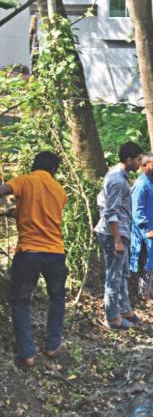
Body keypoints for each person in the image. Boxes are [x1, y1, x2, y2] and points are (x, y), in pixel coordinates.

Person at [0, 152, 67, 367]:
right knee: (57, 298)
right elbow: (41, 213)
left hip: (29, 252)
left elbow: (5, 191)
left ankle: (27, 353)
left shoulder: (25, 181)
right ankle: (53, 345)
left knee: (20, 301)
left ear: (34, 165)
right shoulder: (59, 191)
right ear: (54, 170)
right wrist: (14, 212)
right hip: (55, 252)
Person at [95, 142, 144, 330]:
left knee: (123, 274)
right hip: (113, 234)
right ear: (129, 160)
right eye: (138, 160)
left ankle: (125, 310)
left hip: (122, 231)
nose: (140, 163)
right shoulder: (116, 179)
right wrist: (116, 240)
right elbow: (110, 212)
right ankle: (112, 318)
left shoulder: (119, 176)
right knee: (113, 277)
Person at [130, 153, 153, 306]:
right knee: (146, 263)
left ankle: (148, 292)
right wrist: (145, 229)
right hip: (145, 232)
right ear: (143, 166)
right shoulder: (141, 184)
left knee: (151, 264)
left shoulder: (152, 183)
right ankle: (144, 297)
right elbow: (137, 210)